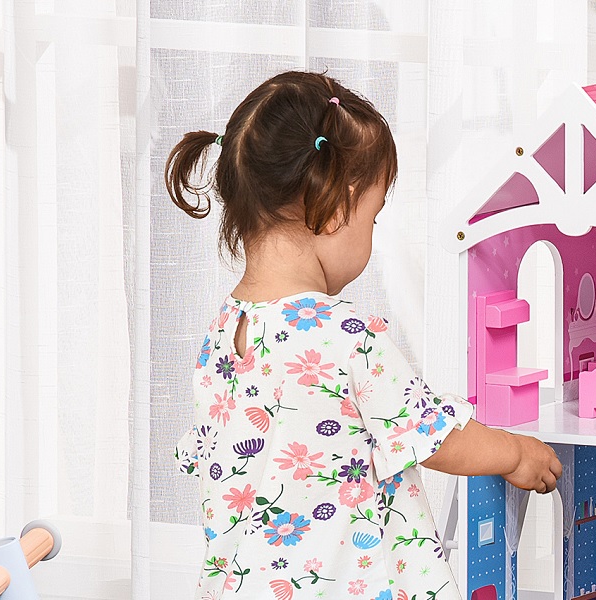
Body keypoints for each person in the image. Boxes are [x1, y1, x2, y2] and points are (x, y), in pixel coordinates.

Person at [167, 71, 561, 600]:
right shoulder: (344, 337)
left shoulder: (224, 333)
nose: (371, 234)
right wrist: (515, 454)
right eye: (373, 217)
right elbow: (437, 437)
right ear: (335, 210)